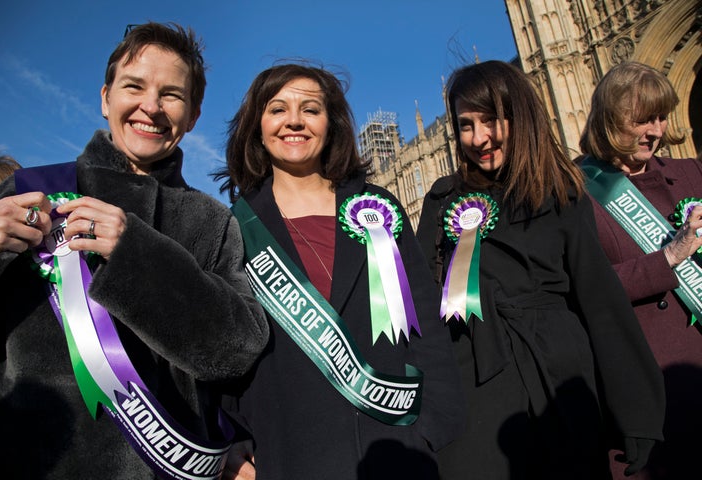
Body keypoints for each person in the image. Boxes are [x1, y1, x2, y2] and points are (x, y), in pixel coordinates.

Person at [0, 22, 269, 479]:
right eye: (134, 86)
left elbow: (237, 350)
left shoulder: (213, 221)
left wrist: (135, 252)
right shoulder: (29, 190)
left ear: (192, 116)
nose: (150, 107)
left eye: (171, 95)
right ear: (105, 98)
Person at [213, 62, 465, 480]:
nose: (294, 120)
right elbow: (222, 349)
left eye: (310, 109)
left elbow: (426, 327)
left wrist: (432, 428)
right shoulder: (233, 229)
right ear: (257, 125)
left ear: (331, 124)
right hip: (287, 454)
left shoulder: (377, 209)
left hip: (393, 446)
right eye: (278, 109)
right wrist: (231, 439)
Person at [416, 60, 665, 480]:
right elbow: (419, 304)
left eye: (491, 120)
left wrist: (636, 408)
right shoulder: (444, 202)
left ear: (519, 116)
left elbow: (600, 301)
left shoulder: (563, 193)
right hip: (475, 383)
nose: (479, 138)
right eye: (465, 125)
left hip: (560, 381)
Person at [577, 61, 702, 480]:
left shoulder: (690, 173)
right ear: (610, 118)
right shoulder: (576, 193)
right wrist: (667, 258)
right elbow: (583, 287)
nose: (658, 131)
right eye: (643, 119)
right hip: (652, 394)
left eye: (662, 117)